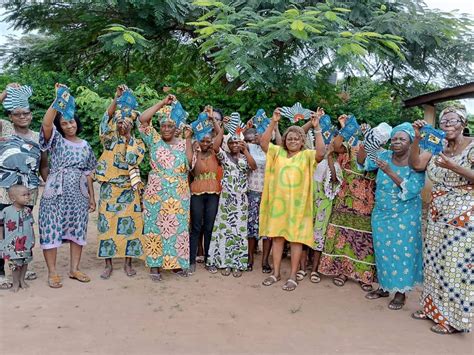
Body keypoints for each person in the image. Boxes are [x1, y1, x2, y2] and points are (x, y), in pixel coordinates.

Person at [409, 107, 473, 334]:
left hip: (463, 216)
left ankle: (453, 321)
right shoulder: (436, 145)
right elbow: (416, 164)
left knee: (454, 267)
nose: (447, 124)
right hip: (437, 213)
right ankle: (431, 309)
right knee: (434, 262)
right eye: (443, 121)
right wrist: (417, 139)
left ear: (463, 123)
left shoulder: (472, 146)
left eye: (452, 120)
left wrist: (454, 166)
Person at [358, 123, 424, 310]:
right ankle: (384, 287)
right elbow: (363, 162)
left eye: (402, 139)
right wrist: (365, 143)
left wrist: (389, 171)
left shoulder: (416, 163)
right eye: (394, 138)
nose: (397, 142)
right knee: (383, 252)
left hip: (406, 215)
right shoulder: (384, 156)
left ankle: (401, 293)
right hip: (382, 213)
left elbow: (412, 189)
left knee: (403, 252)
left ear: (411, 142)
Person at [260, 108, 325, 291]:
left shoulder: (307, 155)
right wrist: (273, 122)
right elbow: (264, 143)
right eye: (290, 138)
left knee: (296, 240)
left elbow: (321, 153)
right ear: (285, 141)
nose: (293, 141)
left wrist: (317, 128)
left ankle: (293, 276)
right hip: (278, 206)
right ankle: (276, 273)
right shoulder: (278, 153)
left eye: (297, 138)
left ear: (302, 141)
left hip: (299, 206)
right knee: (278, 238)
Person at [39, 84, 97, 288]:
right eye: (64, 123)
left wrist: (91, 197)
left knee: (78, 230)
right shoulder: (56, 140)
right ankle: (53, 273)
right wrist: (58, 101)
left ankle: (74, 269)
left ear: (76, 122)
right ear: (60, 126)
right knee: (50, 228)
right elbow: (46, 124)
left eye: (71, 121)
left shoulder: (86, 145)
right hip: (55, 192)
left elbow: (89, 172)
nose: (69, 126)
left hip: (78, 194)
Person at [318, 116, 376, 291]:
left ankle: (364, 275)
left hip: (366, 204)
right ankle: (342, 271)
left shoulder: (379, 154)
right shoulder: (350, 148)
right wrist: (345, 129)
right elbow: (335, 146)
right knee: (342, 236)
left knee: (364, 239)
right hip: (345, 200)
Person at [138, 94, 192, 281]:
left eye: (171, 125)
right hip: (156, 194)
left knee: (177, 229)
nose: (167, 128)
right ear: (159, 127)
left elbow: (190, 163)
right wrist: (162, 103)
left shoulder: (184, 143)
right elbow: (143, 119)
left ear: (176, 127)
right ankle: (155, 265)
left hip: (179, 195)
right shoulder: (153, 139)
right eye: (164, 125)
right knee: (155, 227)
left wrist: (188, 140)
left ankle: (176, 263)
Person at [95, 85, 146, 279]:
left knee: (131, 226)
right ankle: (108, 264)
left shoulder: (137, 143)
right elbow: (104, 120)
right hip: (109, 187)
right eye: (119, 121)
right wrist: (116, 99)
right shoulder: (108, 139)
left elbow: (133, 160)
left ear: (132, 125)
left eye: (126, 122)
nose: (121, 124)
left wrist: (127, 138)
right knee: (106, 225)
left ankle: (128, 263)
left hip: (128, 188)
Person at [0, 83, 48, 289]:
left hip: (28, 191)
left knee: (24, 227)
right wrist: (6, 92)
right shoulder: (5, 128)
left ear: (31, 115)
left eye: (26, 113)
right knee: (3, 228)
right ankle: (2, 271)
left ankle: (22, 265)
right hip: (3, 190)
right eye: (17, 114)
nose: (22, 117)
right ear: (10, 116)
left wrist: (51, 182)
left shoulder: (39, 137)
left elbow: (44, 164)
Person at [206, 123, 257, 277]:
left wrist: (245, 150)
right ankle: (225, 263)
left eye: (238, 142)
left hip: (241, 199)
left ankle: (237, 263)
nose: (235, 144)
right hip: (226, 199)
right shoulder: (224, 157)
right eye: (232, 142)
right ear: (228, 145)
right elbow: (215, 146)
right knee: (225, 230)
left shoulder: (244, 157)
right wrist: (221, 127)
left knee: (239, 231)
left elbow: (253, 166)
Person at [189, 107, 222, 274]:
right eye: (203, 141)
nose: (206, 143)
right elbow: (190, 166)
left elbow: (220, 134)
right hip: (196, 191)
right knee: (196, 226)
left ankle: (210, 259)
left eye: (209, 141)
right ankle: (191, 260)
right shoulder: (194, 153)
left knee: (209, 226)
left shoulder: (216, 152)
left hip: (213, 192)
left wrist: (213, 119)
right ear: (198, 140)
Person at [244, 126, 282, 272]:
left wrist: (276, 128)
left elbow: (280, 143)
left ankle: (265, 260)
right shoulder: (250, 147)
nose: (261, 136)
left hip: (270, 193)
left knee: (268, 229)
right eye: (259, 134)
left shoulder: (274, 150)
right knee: (251, 227)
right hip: (253, 192)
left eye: (266, 134)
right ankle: (250, 258)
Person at [0, 185, 35, 292]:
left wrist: (33, 238)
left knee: (25, 262)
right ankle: (15, 282)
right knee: (15, 264)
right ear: (13, 198)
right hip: (12, 243)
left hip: (26, 242)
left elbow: (31, 225)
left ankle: (21, 280)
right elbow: (0, 225)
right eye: (24, 195)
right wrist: (1, 239)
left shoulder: (28, 211)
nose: (27, 197)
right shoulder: (6, 211)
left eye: (28, 194)